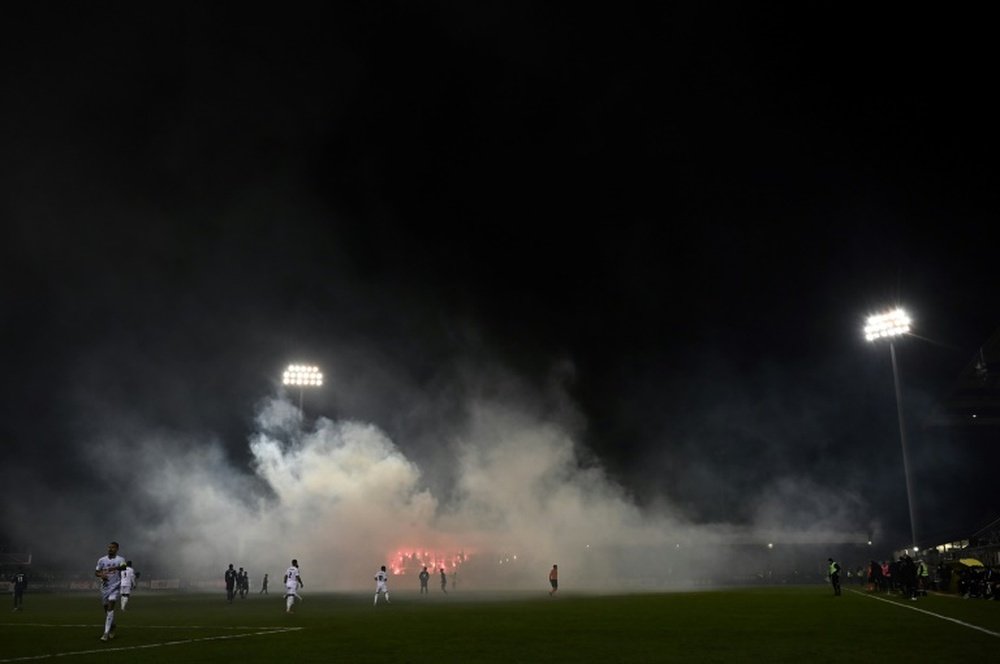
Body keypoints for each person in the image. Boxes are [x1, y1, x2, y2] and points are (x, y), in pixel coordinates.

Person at [95, 541, 127, 641]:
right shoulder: (101, 560)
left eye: (112, 547)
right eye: (109, 547)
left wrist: (115, 567)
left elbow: (124, 566)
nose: (110, 549)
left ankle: (106, 633)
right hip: (104, 588)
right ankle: (112, 625)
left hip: (115, 587)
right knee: (106, 609)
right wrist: (101, 575)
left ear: (117, 549)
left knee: (110, 608)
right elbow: (96, 572)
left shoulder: (120, 559)